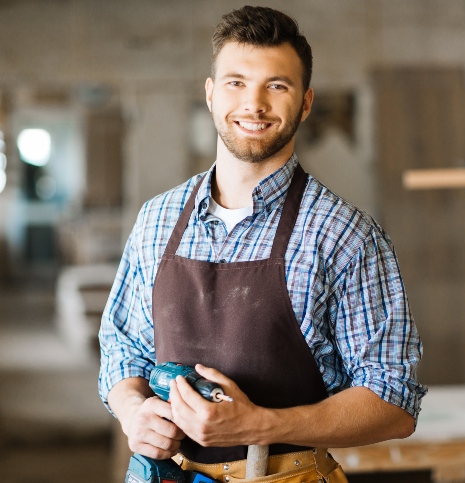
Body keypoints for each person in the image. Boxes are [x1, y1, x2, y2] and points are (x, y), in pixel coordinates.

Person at [97, 5, 426, 482]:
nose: (254, 104)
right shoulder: (157, 220)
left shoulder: (345, 235)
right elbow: (122, 346)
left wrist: (261, 425)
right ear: (210, 95)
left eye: (277, 86)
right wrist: (133, 411)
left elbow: (395, 399)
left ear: (306, 102)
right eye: (236, 82)